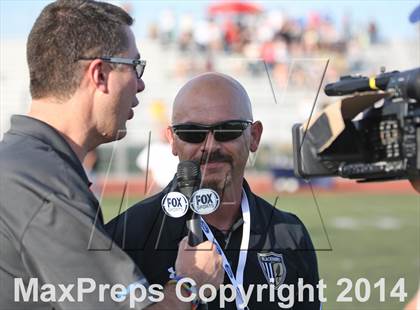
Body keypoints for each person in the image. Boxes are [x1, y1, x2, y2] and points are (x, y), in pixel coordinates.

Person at [0, 1, 223, 309]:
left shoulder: (23, 163)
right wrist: (189, 284)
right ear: (100, 74)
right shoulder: (43, 183)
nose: (141, 84)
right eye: (135, 67)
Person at [106, 72, 321, 309]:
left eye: (227, 130)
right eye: (192, 133)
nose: (210, 146)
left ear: (254, 137)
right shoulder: (125, 237)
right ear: (173, 140)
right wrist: (186, 287)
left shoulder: (291, 234)